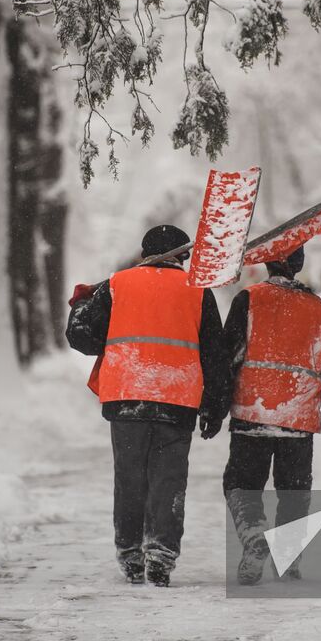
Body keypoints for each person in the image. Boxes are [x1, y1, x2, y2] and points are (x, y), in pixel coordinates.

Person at [65, 224, 227, 587]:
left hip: (126, 396)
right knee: (169, 480)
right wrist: (215, 408)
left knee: (130, 478)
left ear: (143, 253)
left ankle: (130, 554)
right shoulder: (199, 293)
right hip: (177, 399)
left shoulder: (116, 284)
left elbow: (81, 337)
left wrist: (81, 302)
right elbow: (216, 354)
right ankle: (161, 555)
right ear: (182, 257)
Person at [206, 245, 321, 585]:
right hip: (299, 415)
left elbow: (227, 353)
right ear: (299, 265)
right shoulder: (317, 308)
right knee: (294, 490)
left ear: (268, 265)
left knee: (242, 484)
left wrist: (215, 407)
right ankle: (289, 557)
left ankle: (254, 537)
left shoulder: (250, 299)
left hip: (254, 410)